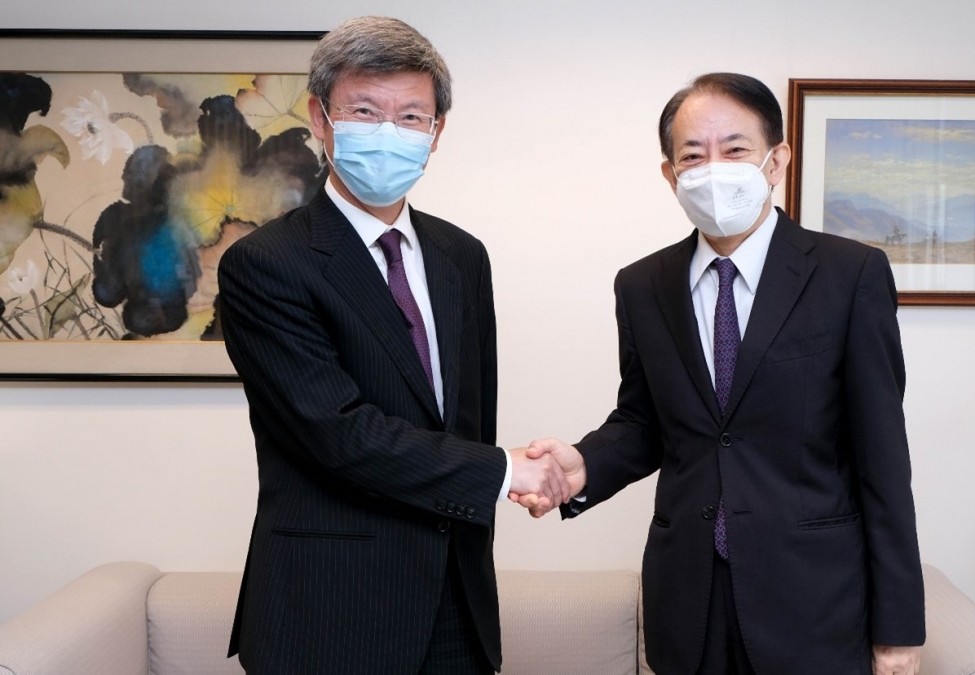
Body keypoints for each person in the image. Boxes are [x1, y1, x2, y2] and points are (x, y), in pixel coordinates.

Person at [517, 73, 925, 674]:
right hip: (690, 603)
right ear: (670, 174)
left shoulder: (849, 275)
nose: (713, 169)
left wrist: (898, 630)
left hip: (815, 603)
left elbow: (883, 458)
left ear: (776, 160)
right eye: (692, 156)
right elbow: (644, 421)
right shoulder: (642, 285)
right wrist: (585, 465)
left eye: (735, 150)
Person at [218, 16, 569, 674]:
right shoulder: (266, 264)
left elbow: (467, 420)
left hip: (458, 603)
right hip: (330, 612)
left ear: (436, 134)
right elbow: (336, 433)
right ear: (321, 119)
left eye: (411, 116)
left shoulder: (461, 256)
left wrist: (506, 472)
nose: (389, 132)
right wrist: (503, 471)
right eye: (364, 111)